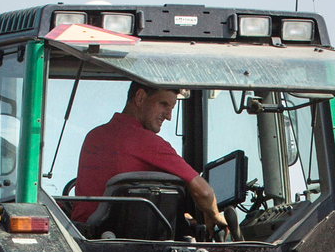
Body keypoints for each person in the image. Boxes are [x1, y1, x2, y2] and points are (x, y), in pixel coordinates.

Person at [72, 83, 228, 233]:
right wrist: (214, 215)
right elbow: (204, 192)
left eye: (171, 108)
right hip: (121, 239)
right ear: (140, 98)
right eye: (163, 104)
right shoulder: (147, 142)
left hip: (81, 233)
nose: (168, 116)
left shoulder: (94, 136)